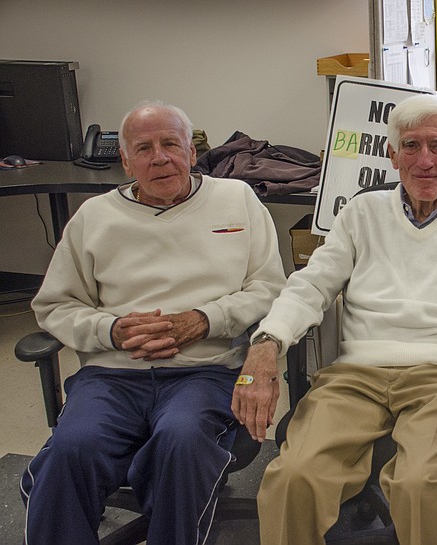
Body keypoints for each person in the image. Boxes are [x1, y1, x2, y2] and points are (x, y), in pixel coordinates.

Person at [231, 93, 437, 545]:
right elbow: (310, 286)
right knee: (292, 477)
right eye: (411, 146)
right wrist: (266, 344)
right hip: (357, 376)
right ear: (392, 154)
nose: (425, 160)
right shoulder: (362, 212)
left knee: (420, 486)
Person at [20, 101, 286, 545]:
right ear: (125, 162)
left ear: (191, 152)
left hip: (205, 372)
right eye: (144, 149)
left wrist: (204, 320)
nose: (159, 158)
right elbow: (55, 306)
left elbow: (270, 289)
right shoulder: (94, 217)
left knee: (181, 440)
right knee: (72, 448)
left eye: (170, 144)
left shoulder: (236, 199)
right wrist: (111, 330)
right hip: (113, 374)